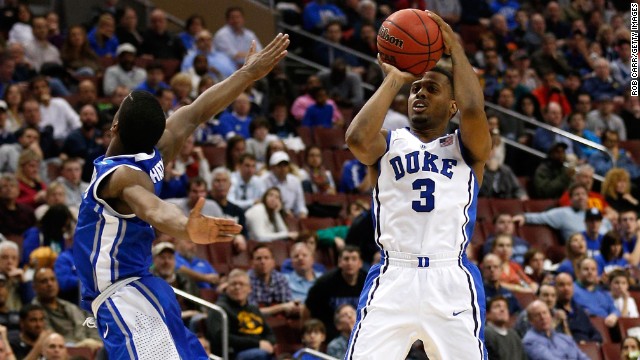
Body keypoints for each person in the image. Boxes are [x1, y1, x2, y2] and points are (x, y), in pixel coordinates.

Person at [72, 34, 289, 359]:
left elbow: (154, 210)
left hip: (128, 298)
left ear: (114, 126)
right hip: (145, 291)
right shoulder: (158, 151)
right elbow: (197, 110)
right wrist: (246, 74)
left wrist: (185, 227)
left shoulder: (121, 176)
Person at [343, 11, 491, 359]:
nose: (420, 93)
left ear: (451, 104)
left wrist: (455, 49)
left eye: (432, 88)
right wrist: (394, 79)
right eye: (415, 89)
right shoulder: (388, 142)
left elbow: (473, 110)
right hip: (394, 274)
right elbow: (355, 139)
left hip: (449, 276)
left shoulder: (468, 148)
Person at [205, 269, 276, 360]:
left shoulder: (253, 309)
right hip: (234, 354)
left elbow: (270, 334)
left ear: (250, 289)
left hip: (258, 349)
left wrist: (268, 343)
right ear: (227, 288)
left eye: (241, 284)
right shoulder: (219, 310)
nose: (237, 287)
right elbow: (221, 338)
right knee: (260, 354)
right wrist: (257, 344)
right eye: (233, 284)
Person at [522, 300, 589, 360]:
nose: (543, 317)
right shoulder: (530, 341)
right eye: (537, 315)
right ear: (531, 321)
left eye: (545, 313)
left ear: (550, 315)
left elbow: (583, 357)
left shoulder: (565, 338)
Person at [484, 296, 527, 360]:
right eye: (497, 306)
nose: (502, 309)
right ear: (487, 314)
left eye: (505, 307)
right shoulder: (486, 333)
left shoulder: (514, 334)